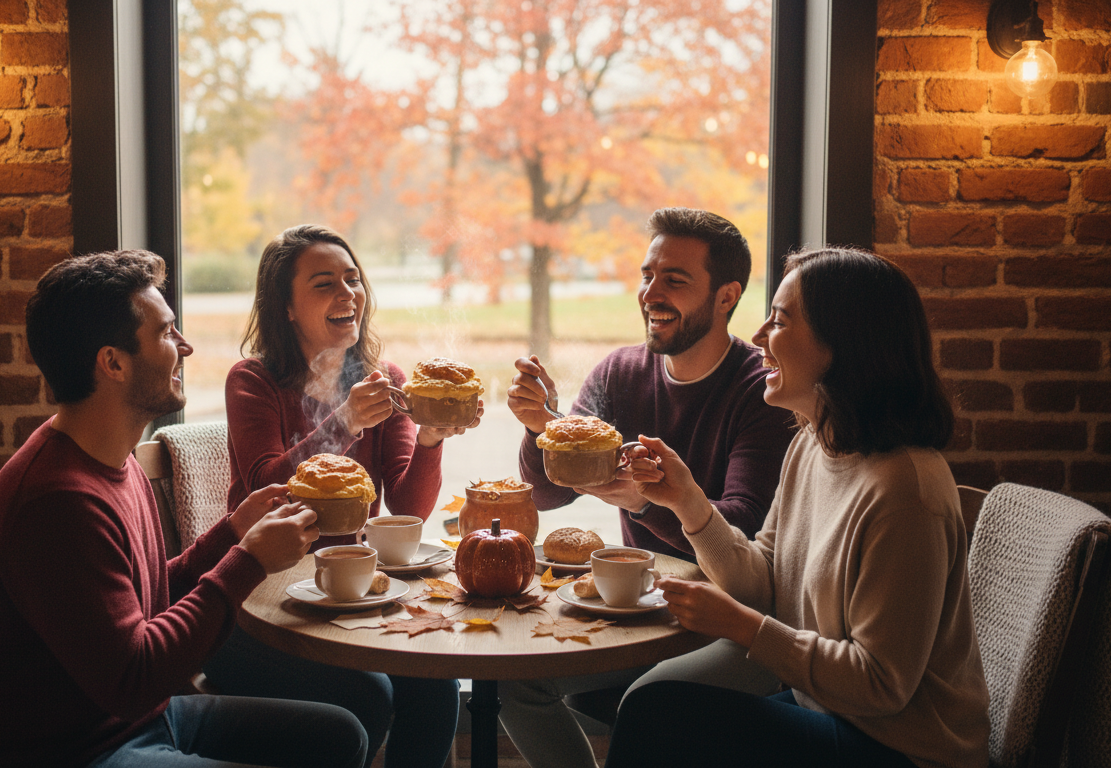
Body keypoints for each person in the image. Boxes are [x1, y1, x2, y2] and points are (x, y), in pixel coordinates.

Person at [0, 250, 367, 768]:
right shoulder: (56, 503)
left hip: (137, 720)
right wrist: (249, 561)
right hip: (70, 751)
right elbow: (134, 679)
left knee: (342, 734)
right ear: (114, 363)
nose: (185, 346)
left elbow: (144, 600)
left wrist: (233, 532)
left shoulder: (112, 458)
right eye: (167, 333)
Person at [605, 247, 990, 767]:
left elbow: (881, 686)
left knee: (659, 714)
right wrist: (685, 500)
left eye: (780, 321)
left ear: (843, 344)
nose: (759, 337)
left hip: (902, 748)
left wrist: (742, 627)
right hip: (832, 711)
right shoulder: (813, 443)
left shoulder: (906, 494)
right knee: (652, 706)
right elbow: (763, 581)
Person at [499, 207, 797, 768]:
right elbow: (548, 494)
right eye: (647, 275)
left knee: (646, 704)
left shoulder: (762, 390)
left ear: (727, 296)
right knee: (514, 683)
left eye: (674, 280)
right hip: (643, 604)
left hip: (737, 618)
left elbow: (745, 527)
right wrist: (541, 429)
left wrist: (643, 502)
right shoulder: (620, 373)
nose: (650, 293)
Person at [202, 225, 472, 768]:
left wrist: (432, 436)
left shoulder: (384, 379)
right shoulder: (252, 381)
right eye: (324, 284)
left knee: (436, 682)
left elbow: (408, 507)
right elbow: (266, 488)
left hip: (351, 595)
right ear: (286, 308)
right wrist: (344, 421)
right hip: (260, 602)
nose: (347, 293)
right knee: (369, 694)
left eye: (353, 279)